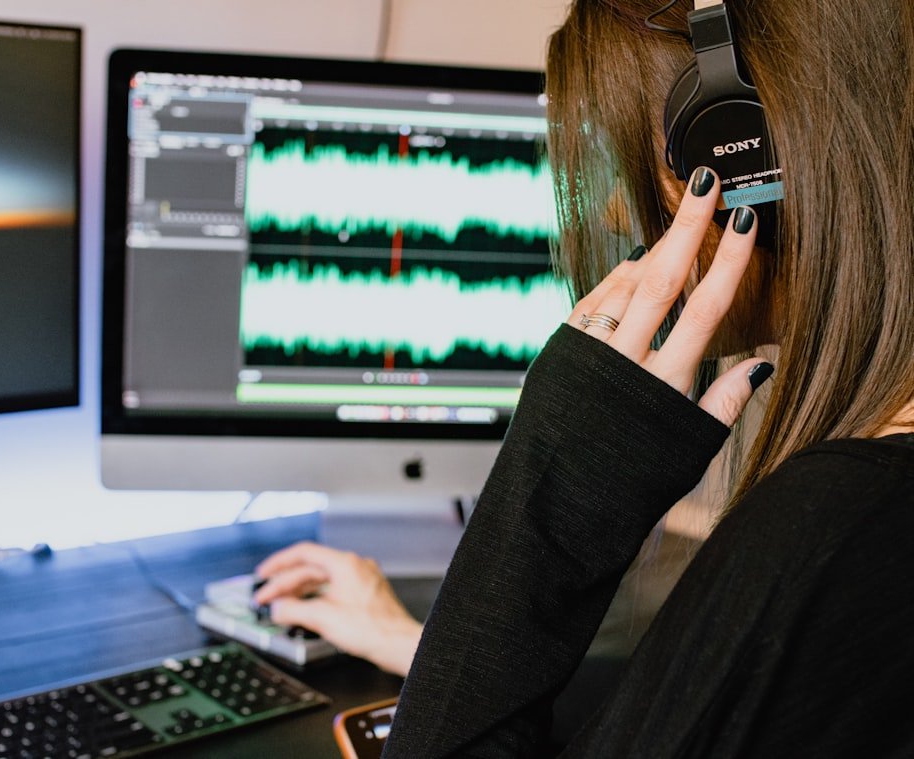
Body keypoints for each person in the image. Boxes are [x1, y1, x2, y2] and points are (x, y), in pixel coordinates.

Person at [263, 0, 914, 755]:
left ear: (747, 155)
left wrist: (555, 482)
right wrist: (437, 652)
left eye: (652, 159)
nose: (611, 209)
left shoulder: (833, 529)